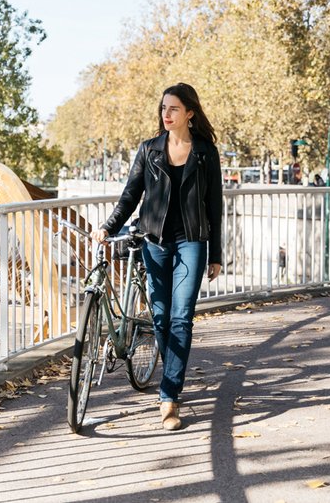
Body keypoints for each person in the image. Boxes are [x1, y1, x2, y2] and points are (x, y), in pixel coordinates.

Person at [90, 83, 222, 431]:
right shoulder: (149, 151)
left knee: (181, 318)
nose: (166, 114)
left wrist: (217, 254)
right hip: (154, 241)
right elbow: (130, 196)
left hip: (193, 242)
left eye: (174, 108)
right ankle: (173, 372)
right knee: (161, 318)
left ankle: (169, 396)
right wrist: (107, 227)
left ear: (189, 113)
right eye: (164, 108)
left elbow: (215, 207)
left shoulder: (206, 152)